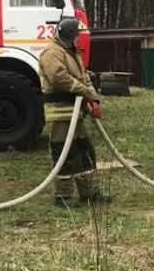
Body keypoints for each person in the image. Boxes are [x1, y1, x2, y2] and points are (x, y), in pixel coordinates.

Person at [38, 17, 110, 208]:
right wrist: (84, 92)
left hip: (77, 112)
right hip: (61, 113)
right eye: (74, 37)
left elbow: (84, 78)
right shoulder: (52, 53)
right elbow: (59, 78)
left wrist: (93, 98)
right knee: (64, 153)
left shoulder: (72, 53)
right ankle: (63, 197)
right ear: (64, 36)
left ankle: (89, 192)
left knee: (85, 151)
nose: (76, 40)